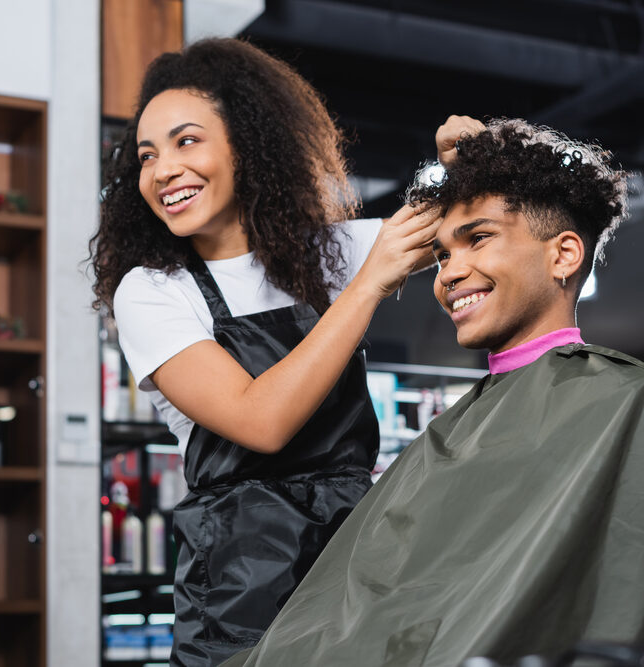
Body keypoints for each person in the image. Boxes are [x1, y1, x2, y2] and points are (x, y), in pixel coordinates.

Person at [90, 38, 473, 666]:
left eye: (187, 142)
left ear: (248, 143)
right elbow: (259, 421)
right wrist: (368, 283)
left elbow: (470, 224)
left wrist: (464, 163)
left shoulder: (334, 250)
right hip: (242, 580)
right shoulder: (154, 291)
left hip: (354, 551)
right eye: (147, 155)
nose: (162, 170)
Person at [222, 118, 644, 667]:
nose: (449, 273)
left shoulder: (623, 403)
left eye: (479, 239)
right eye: (442, 255)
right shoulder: (453, 433)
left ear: (564, 255)